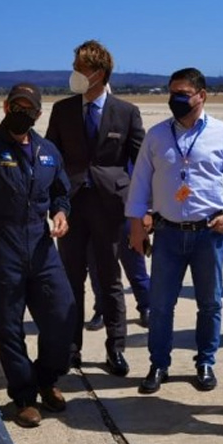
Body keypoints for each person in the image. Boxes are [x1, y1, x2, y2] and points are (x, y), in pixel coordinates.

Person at [127, 67, 223, 394]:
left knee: (210, 303)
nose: (175, 99)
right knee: (160, 305)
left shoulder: (222, 133)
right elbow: (140, 182)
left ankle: (205, 362)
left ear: (201, 96)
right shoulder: (156, 135)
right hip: (167, 234)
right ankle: (158, 364)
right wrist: (137, 225)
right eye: (172, 93)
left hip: (208, 234)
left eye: (182, 94)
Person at [0, 83, 76, 428]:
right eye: (16, 106)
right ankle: (24, 397)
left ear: (38, 114)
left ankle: (47, 378)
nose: (21, 113)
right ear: (5, 106)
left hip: (41, 248)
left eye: (28, 109)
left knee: (63, 316)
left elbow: (61, 192)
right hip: (1, 248)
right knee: (9, 327)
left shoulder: (48, 151)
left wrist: (61, 212)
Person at [45, 40, 145, 377]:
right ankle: (71, 348)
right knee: (71, 279)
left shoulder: (126, 112)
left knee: (110, 279)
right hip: (71, 206)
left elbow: (141, 164)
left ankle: (116, 348)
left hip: (110, 207)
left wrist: (144, 209)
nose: (74, 73)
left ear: (99, 73)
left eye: (80, 68)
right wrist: (52, 202)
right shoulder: (63, 110)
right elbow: (51, 158)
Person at [86, 218, 152, 331]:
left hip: (126, 218)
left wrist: (146, 215)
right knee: (98, 272)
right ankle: (102, 310)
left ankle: (147, 307)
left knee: (136, 271)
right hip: (96, 221)